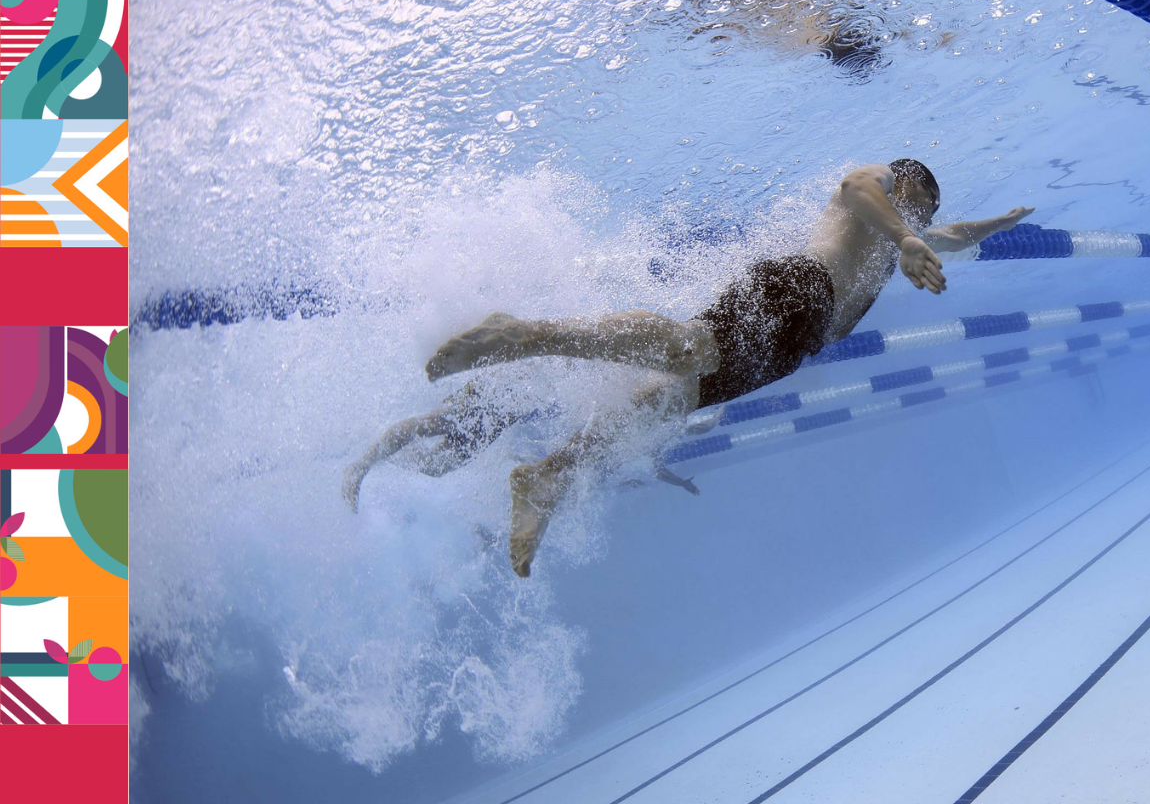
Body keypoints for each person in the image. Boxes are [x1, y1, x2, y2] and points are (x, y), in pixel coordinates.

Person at [345, 159, 1032, 577]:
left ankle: (547, 476)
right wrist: (907, 233)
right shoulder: (879, 195)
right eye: (916, 204)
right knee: (683, 349)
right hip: (797, 288)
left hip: (791, 348)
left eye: (923, 214)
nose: (919, 217)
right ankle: (521, 335)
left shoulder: (901, 243)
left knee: (660, 404)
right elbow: (857, 186)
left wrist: (997, 223)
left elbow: (952, 236)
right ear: (905, 185)